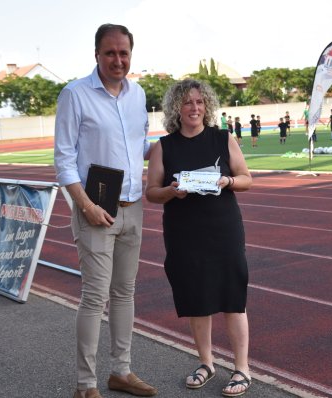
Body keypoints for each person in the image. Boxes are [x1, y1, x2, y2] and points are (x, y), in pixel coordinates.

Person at [54, 23, 157, 398]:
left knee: (125, 293)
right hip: (96, 211)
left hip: (133, 207)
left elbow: (140, 145)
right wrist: (86, 206)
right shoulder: (75, 95)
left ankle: (122, 372)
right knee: (95, 297)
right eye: (110, 53)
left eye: (124, 53)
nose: (118, 60)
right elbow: (64, 161)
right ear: (96, 54)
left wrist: (178, 144)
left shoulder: (138, 93)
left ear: (131, 54)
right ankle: (85, 385)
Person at [145, 79, 253, 397]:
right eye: (188, 102)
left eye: (200, 102)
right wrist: (171, 191)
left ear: (207, 106)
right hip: (183, 232)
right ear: (176, 108)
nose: (194, 108)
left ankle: (242, 369)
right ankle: (206, 363)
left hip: (223, 229)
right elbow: (151, 192)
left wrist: (228, 180)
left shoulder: (223, 138)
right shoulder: (164, 146)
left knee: (233, 298)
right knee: (197, 300)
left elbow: (247, 179)